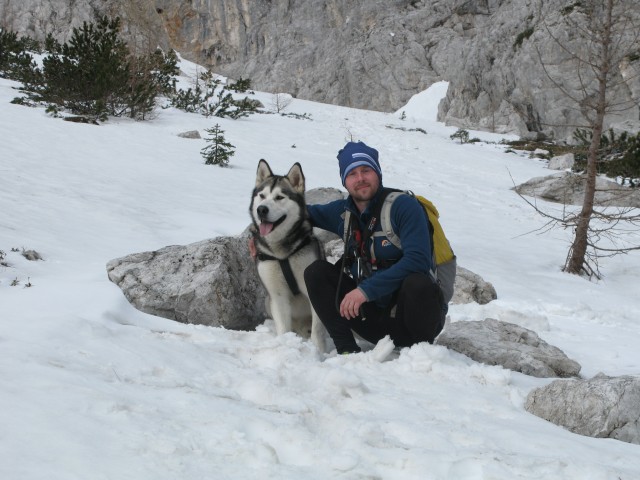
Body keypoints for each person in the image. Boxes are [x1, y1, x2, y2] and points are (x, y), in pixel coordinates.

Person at [304, 141, 448, 354]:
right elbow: (294, 212)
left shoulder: (403, 206)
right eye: (352, 173)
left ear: (378, 173)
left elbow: (418, 260)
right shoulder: (342, 213)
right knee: (317, 273)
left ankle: (420, 355)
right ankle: (346, 351)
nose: (360, 178)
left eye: (366, 170)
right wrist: (260, 230)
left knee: (418, 283)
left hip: (414, 323)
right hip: (372, 321)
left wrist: (364, 291)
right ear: (345, 182)